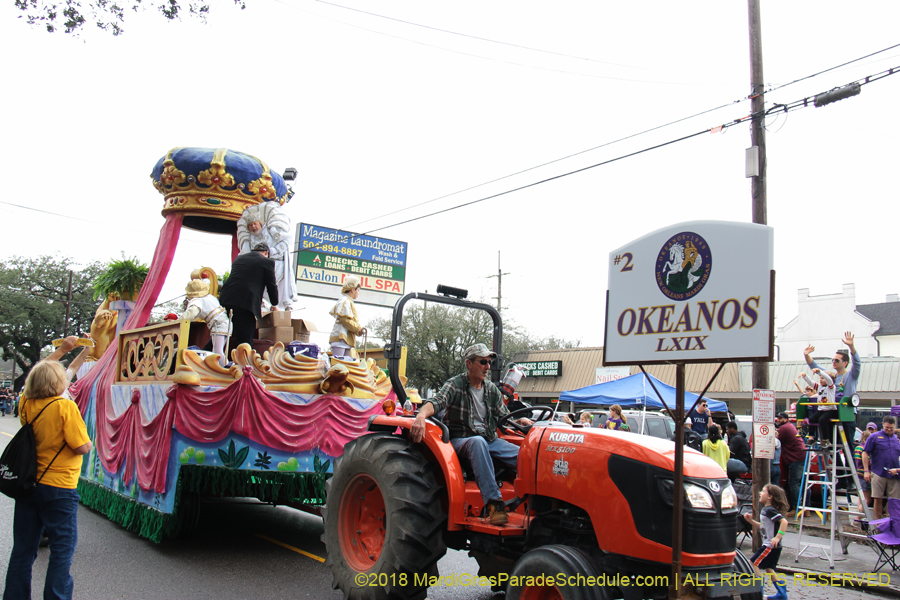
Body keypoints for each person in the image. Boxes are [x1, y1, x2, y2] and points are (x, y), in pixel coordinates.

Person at [409, 343, 532, 526]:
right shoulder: (455, 384)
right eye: (483, 362)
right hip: (461, 439)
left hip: (489, 439)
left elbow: (503, 417)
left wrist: (520, 421)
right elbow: (437, 402)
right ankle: (495, 506)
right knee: (477, 442)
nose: (487, 367)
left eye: (489, 363)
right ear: (469, 363)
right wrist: (420, 416)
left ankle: (539, 504)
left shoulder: (491, 390)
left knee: (527, 456)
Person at [4, 360, 92, 600]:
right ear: (57, 382)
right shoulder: (65, 407)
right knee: (62, 550)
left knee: (23, 549)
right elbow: (82, 446)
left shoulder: (26, 403)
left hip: (28, 484)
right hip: (59, 487)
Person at [236, 202, 298, 311]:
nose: (253, 227)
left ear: (260, 223)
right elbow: (244, 254)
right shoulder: (249, 239)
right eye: (250, 225)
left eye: (255, 224)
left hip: (276, 265)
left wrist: (272, 251)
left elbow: (287, 239)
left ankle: (277, 308)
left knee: (274, 289)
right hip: (259, 269)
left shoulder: (271, 230)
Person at [218, 243, 279, 350]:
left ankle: (202, 355)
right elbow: (271, 285)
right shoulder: (267, 262)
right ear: (266, 253)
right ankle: (244, 360)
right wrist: (274, 303)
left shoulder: (239, 259)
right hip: (245, 302)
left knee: (221, 333)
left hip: (226, 298)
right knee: (245, 339)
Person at [804, 332, 861, 445]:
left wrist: (851, 346)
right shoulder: (830, 375)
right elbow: (814, 366)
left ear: (845, 363)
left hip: (846, 413)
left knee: (848, 445)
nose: (834, 362)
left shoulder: (851, 375)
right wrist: (806, 355)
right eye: (833, 360)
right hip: (831, 411)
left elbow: (857, 363)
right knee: (831, 444)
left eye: (837, 360)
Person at [744, 484, 790, 600]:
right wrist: (751, 521)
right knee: (769, 568)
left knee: (753, 562)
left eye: (763, 491)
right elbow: (763, 526)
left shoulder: (770, 510)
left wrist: (778, 537)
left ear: (770, 496)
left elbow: (784, 522)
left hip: (770, 546)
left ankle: (759, 591)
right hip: (773, 546)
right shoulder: (766, 510)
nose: (760, 493)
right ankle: (782, 594)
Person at [182, 279, 232, 367]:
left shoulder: (197, 300)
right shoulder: (209, 297)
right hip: (226, 322)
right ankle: (223, 367)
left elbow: (192, 313)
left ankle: (226, 368)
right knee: (218, 349)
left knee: (217, 351)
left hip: (218, 325)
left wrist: (181, 319)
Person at [862, 415, 900, 519]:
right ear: (883, 425)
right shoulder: (874, 437)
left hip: (894, 475)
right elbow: (865, 453)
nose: (889, 430)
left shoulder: (896, 439)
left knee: (893, 500)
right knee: (878, 498)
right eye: (887, 427)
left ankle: (890, 521)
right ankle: (878, 522)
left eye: (891, 428)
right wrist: (866, 471)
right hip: (878, 473)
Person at [776, 411, 807, 516]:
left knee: (793, 483)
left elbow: (774, 441)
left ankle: (796, 508)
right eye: (778, 418)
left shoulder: (784, 428)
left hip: (795, 458)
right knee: (803, 483)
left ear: (786, 419)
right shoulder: (790, 426)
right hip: (801, 456)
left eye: (780, 419)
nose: (778, 420)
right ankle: (806, 509)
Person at [329, 275, 366, 360]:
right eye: (358, 290)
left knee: (346, 364)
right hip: (340, 338)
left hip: (347, 339)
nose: (358, 293)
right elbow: (344, 320)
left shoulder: (348, 301)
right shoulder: (344, 301)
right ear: (353, 290)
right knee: (338, 364)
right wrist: (358, 329)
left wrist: (358, 330)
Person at [799, 368, 837, 445]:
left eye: (823, 378)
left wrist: (820, 372)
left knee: (822, 420)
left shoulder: (831, 387)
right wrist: (805, 376)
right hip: (821, 410)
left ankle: (826, 439)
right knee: (811, 419)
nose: (821, 380)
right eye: (820, 378)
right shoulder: (820, 387)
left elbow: (828, 379)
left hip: (830, 410)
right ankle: (811, 438)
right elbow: (811, 383)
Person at [855, 430, 873, 513]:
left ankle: (858, 514)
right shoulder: (865, 449)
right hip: (864, 474)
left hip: (859, 473)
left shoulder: (857, 447)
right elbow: (868, 461)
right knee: (867, 500)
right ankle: (858, 516)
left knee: (861, 498)